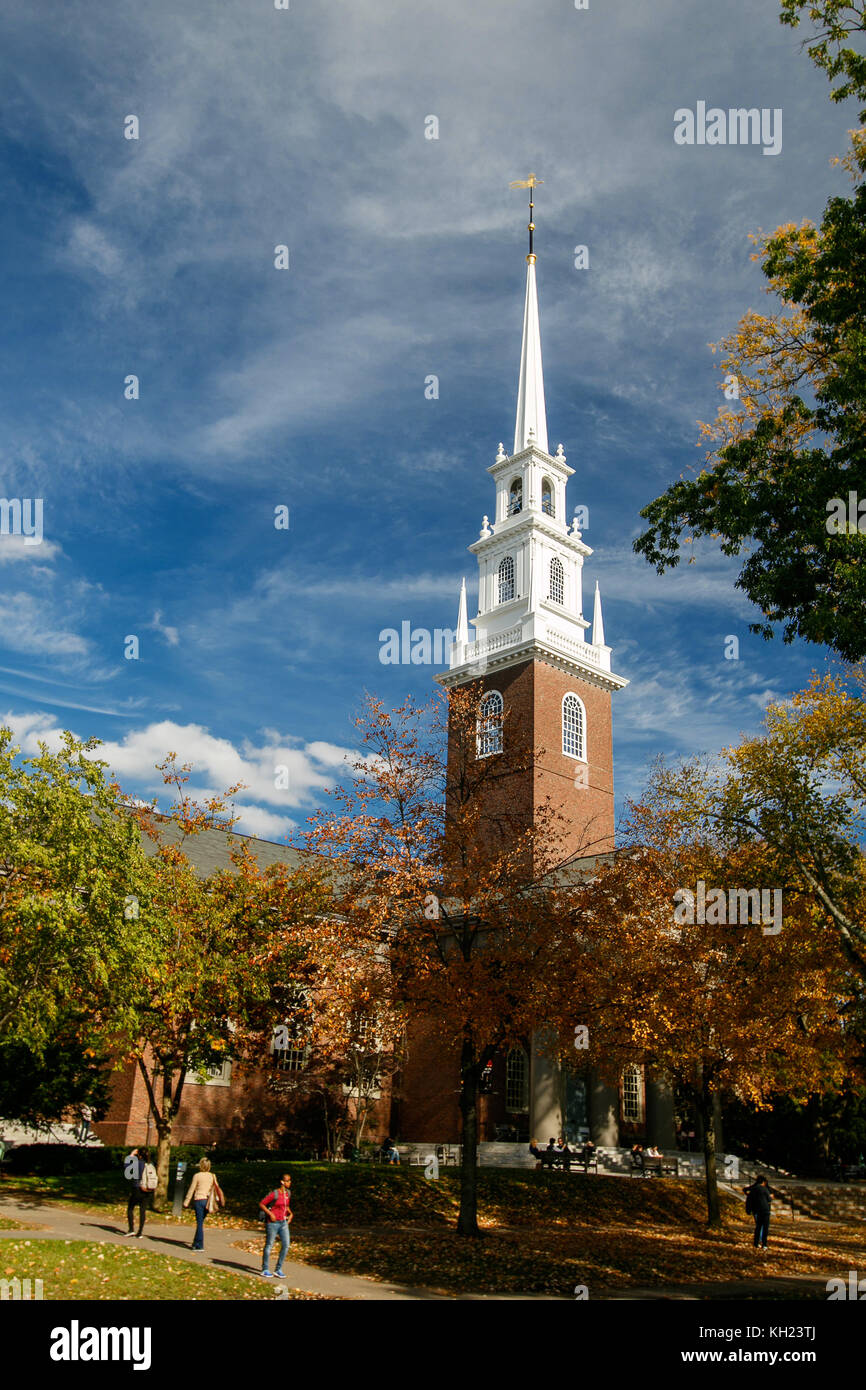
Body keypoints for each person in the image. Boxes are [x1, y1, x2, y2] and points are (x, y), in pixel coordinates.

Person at [183, 1156, 223, 1250]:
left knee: (199, 1223)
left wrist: (186, 1201)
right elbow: (216, 1187)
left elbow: (192, 1189)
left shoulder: (197, 1176)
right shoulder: (212, 1176)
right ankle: (195, 1242)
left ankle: (199, 1245)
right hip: (207, 1201)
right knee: (200, 1222)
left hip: (198, 1200)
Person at [259, 1173, 293, 1278]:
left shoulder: (288, 1193)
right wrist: (270, 1214)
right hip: (273, 1223)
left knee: (286, 1245)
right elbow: (262, 1204)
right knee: (269, 1245)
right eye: (287, 1181)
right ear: (282, 1182)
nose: (289, 1182)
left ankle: (278, 1269)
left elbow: (286, 1206)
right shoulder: (275, 1194)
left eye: (290, 1180)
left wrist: (291, 1213)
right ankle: (265, 1269)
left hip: (283, 1223)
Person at [124, 1147, 157, 1238]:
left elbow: (127, 1169)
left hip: (137, 1188)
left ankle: (131, 1229)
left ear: (139, 1155)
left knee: (130, 1208)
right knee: (142, 1210)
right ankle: (140, 1232)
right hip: (147, 1189)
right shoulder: (150, 1164)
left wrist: (131, 1155)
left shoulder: (137, 1163)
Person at [745, 1174, 772, 1251]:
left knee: (758, 1227)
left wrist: (748, 1210)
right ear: (763, 1182)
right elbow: (769, 1199)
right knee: (765, 1228)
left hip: (757, 1210)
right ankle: (764, 1244)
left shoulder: (753, 1189)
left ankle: (756, 1243)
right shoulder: (765, 1189)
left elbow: (749, 1200)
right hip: (765, 1210)